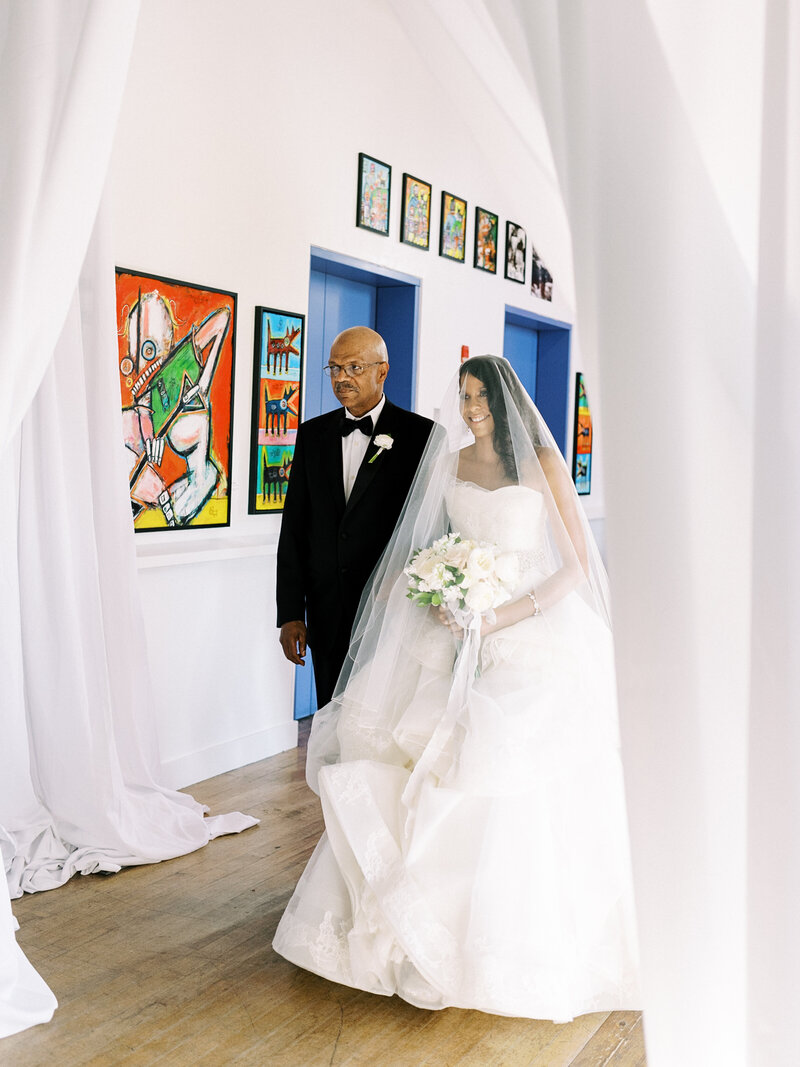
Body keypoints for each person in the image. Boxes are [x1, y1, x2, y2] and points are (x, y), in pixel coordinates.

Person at [273, 355, 639, 1021]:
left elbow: (574, 570)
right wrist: (437, 590)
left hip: (529, 635)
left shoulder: (544, 468)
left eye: (478, 398)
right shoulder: (453, 462)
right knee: (416, 756)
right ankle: (409, 925)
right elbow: (434, 543)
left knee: (500, 770)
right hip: (448, 633)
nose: (468, 409)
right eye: (463, 396)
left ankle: (497, 938)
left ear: (504, 403)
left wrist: (496, 616)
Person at [276, 326, 434, 709]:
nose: (341, 377)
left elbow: (433, 527)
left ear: (382, 372)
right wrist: (291, 613)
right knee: (330, 718)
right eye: (333, 368)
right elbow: (294, 526)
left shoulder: (422, 436)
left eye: (354, 367)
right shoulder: (312, 435)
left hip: (391, 611)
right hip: (326, 613)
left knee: (381, 722)